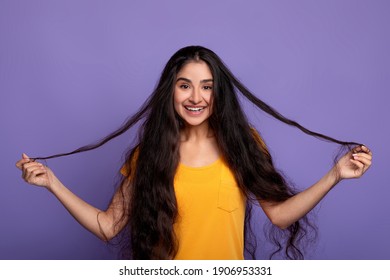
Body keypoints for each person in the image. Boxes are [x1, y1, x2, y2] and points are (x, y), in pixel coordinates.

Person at [15, 46, 372, 260]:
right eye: (185, 85)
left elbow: (279, 215)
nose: (196, 97)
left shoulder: (245, 145)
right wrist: (52, 184)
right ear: (171, 91)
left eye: (207, 87)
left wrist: (335, 175)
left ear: (220, 95)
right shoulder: (148, 154)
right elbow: (109, 227)